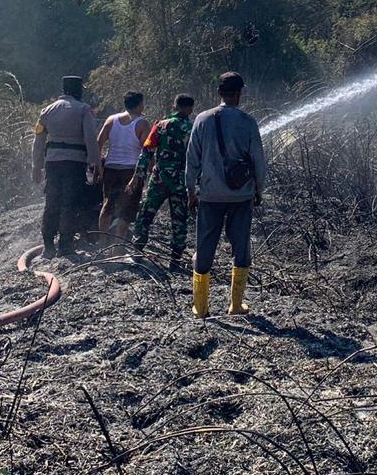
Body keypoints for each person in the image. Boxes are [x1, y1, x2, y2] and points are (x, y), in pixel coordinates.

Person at [185, 72, 267, 317]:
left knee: (205, 247)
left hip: (210, 197)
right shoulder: (248, 122)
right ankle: (236, 305)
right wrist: (258, 190)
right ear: (240, 94)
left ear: (218, 93)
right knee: (241, 248)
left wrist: (191, 191)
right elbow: (259, 162)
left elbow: (192, 161)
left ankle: (200, 308)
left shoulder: (202, 119)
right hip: (241, 197)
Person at [31, 75, 101, 260]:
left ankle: (48, 246)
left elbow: (38, 142)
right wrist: (95, 163)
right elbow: (90, 139)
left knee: (52, 202)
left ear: (63, 90)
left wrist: (36, 167)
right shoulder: (83, 110)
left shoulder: (46, 111)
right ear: (78, 90)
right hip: (75, 163)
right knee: (70, 203)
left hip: (52, 163)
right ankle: (65, 246)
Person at [129, 94, 196, 270]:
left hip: (159, 179)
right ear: (190, 109)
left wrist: (139, 175)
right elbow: (199, 157)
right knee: (179, 221)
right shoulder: (194, 128)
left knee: (145, 215)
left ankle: (137, 251)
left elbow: (147, 150)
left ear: (175, 107)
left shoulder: (161, 125)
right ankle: (175, 260)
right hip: (181, 182)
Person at [96, 91, 149, 245]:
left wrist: (99, 167)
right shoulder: (142, 123)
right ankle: (117, 247)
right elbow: (147, 151)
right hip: (131, 172)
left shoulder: (111, 120)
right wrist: (150, 170)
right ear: (139, 105)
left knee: (107, 205)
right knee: (127, 210)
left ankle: (102, 241)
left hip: (111, 169)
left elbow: (98, 144)